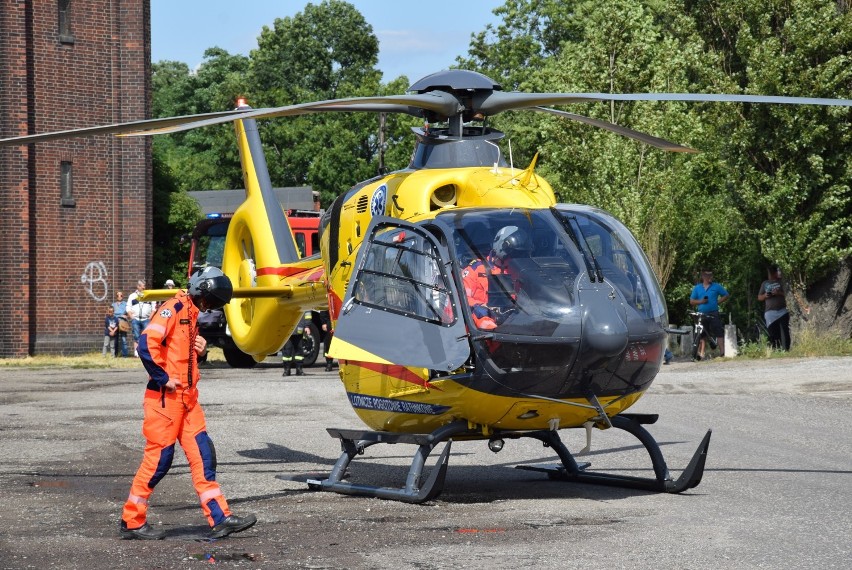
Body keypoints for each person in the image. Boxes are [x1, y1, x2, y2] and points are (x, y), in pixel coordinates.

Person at [120, 266, 256, 540]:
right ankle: (131, 521)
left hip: (188, 400)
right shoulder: (174, 308)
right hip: (165, 402)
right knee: (159, 461)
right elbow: (146, 344)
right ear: (199, 290)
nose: (208, 308)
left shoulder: (192, 313)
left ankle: (220, 519)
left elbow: (184, 358)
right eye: (208, 302)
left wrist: (201, 352)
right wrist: (162, 377)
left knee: (204, 457)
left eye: (213, 305)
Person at [461, 225, 530, 330]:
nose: (515, 257)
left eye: (519, 254)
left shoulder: (518, 272)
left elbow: (527, 298)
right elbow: (462, 298)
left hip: (514, 322)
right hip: (482, 326)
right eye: (513, 253)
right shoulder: (475, 270)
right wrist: (480, 307)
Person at [689, 269, 730, 359]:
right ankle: (701, 353)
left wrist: (717, 302)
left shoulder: (716, 286)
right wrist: (701, 301)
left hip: (714, 312)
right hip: (702, 313)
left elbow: (726, 295)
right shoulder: (697, 288)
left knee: (718, 331)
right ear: (703, 277)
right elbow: (691, 301)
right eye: (708, 276)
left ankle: (722, 352)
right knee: (702, 333)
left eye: (711, 275)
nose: (710, 277)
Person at [757, 264, 791, 350]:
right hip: (770, 312)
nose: (770, 274)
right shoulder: (765, 283)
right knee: (773, 333)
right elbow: (759, 297)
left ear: (776, 273)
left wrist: (778, 293)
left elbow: (788, 295)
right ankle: (776, 350)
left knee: (786, 331)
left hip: (783, 310)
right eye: (769, 273)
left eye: (772, 272)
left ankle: (787, 349)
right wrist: (765, 295)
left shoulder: (781, 282)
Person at [127, 280, 155, 357]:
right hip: (135, 319)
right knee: (136, 336)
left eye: (144, 286)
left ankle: (145, 352)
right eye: (143, 286)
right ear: (138, 286)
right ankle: (137, 352)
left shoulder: (150, 296)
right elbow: (128, 307)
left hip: (146, 319)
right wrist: (132, 317)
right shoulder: (132, 296)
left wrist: (150, 318)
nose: (144, 287)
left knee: (147, 336)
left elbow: (154, 308)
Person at [282, 312, 311, 376]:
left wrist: (307, 326)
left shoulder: (303, 302)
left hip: (298, 331)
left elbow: (307, 314)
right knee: (287, 351)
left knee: (299, 351)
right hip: (287, 331)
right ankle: (287, 369)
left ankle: (299, 369)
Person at [112, 291, 129, 357]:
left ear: (123, 296)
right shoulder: (113, 305)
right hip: (115, 322)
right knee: (115, 339)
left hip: (123, 322)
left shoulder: (125, 304)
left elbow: (127, 312)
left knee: (123, 339)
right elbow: (113, 314)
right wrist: (121, 315)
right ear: (116, 297)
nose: (119, 297)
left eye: (121, 295)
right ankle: (115, 354)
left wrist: (118, 315)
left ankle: (125, 355)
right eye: (118, 295)